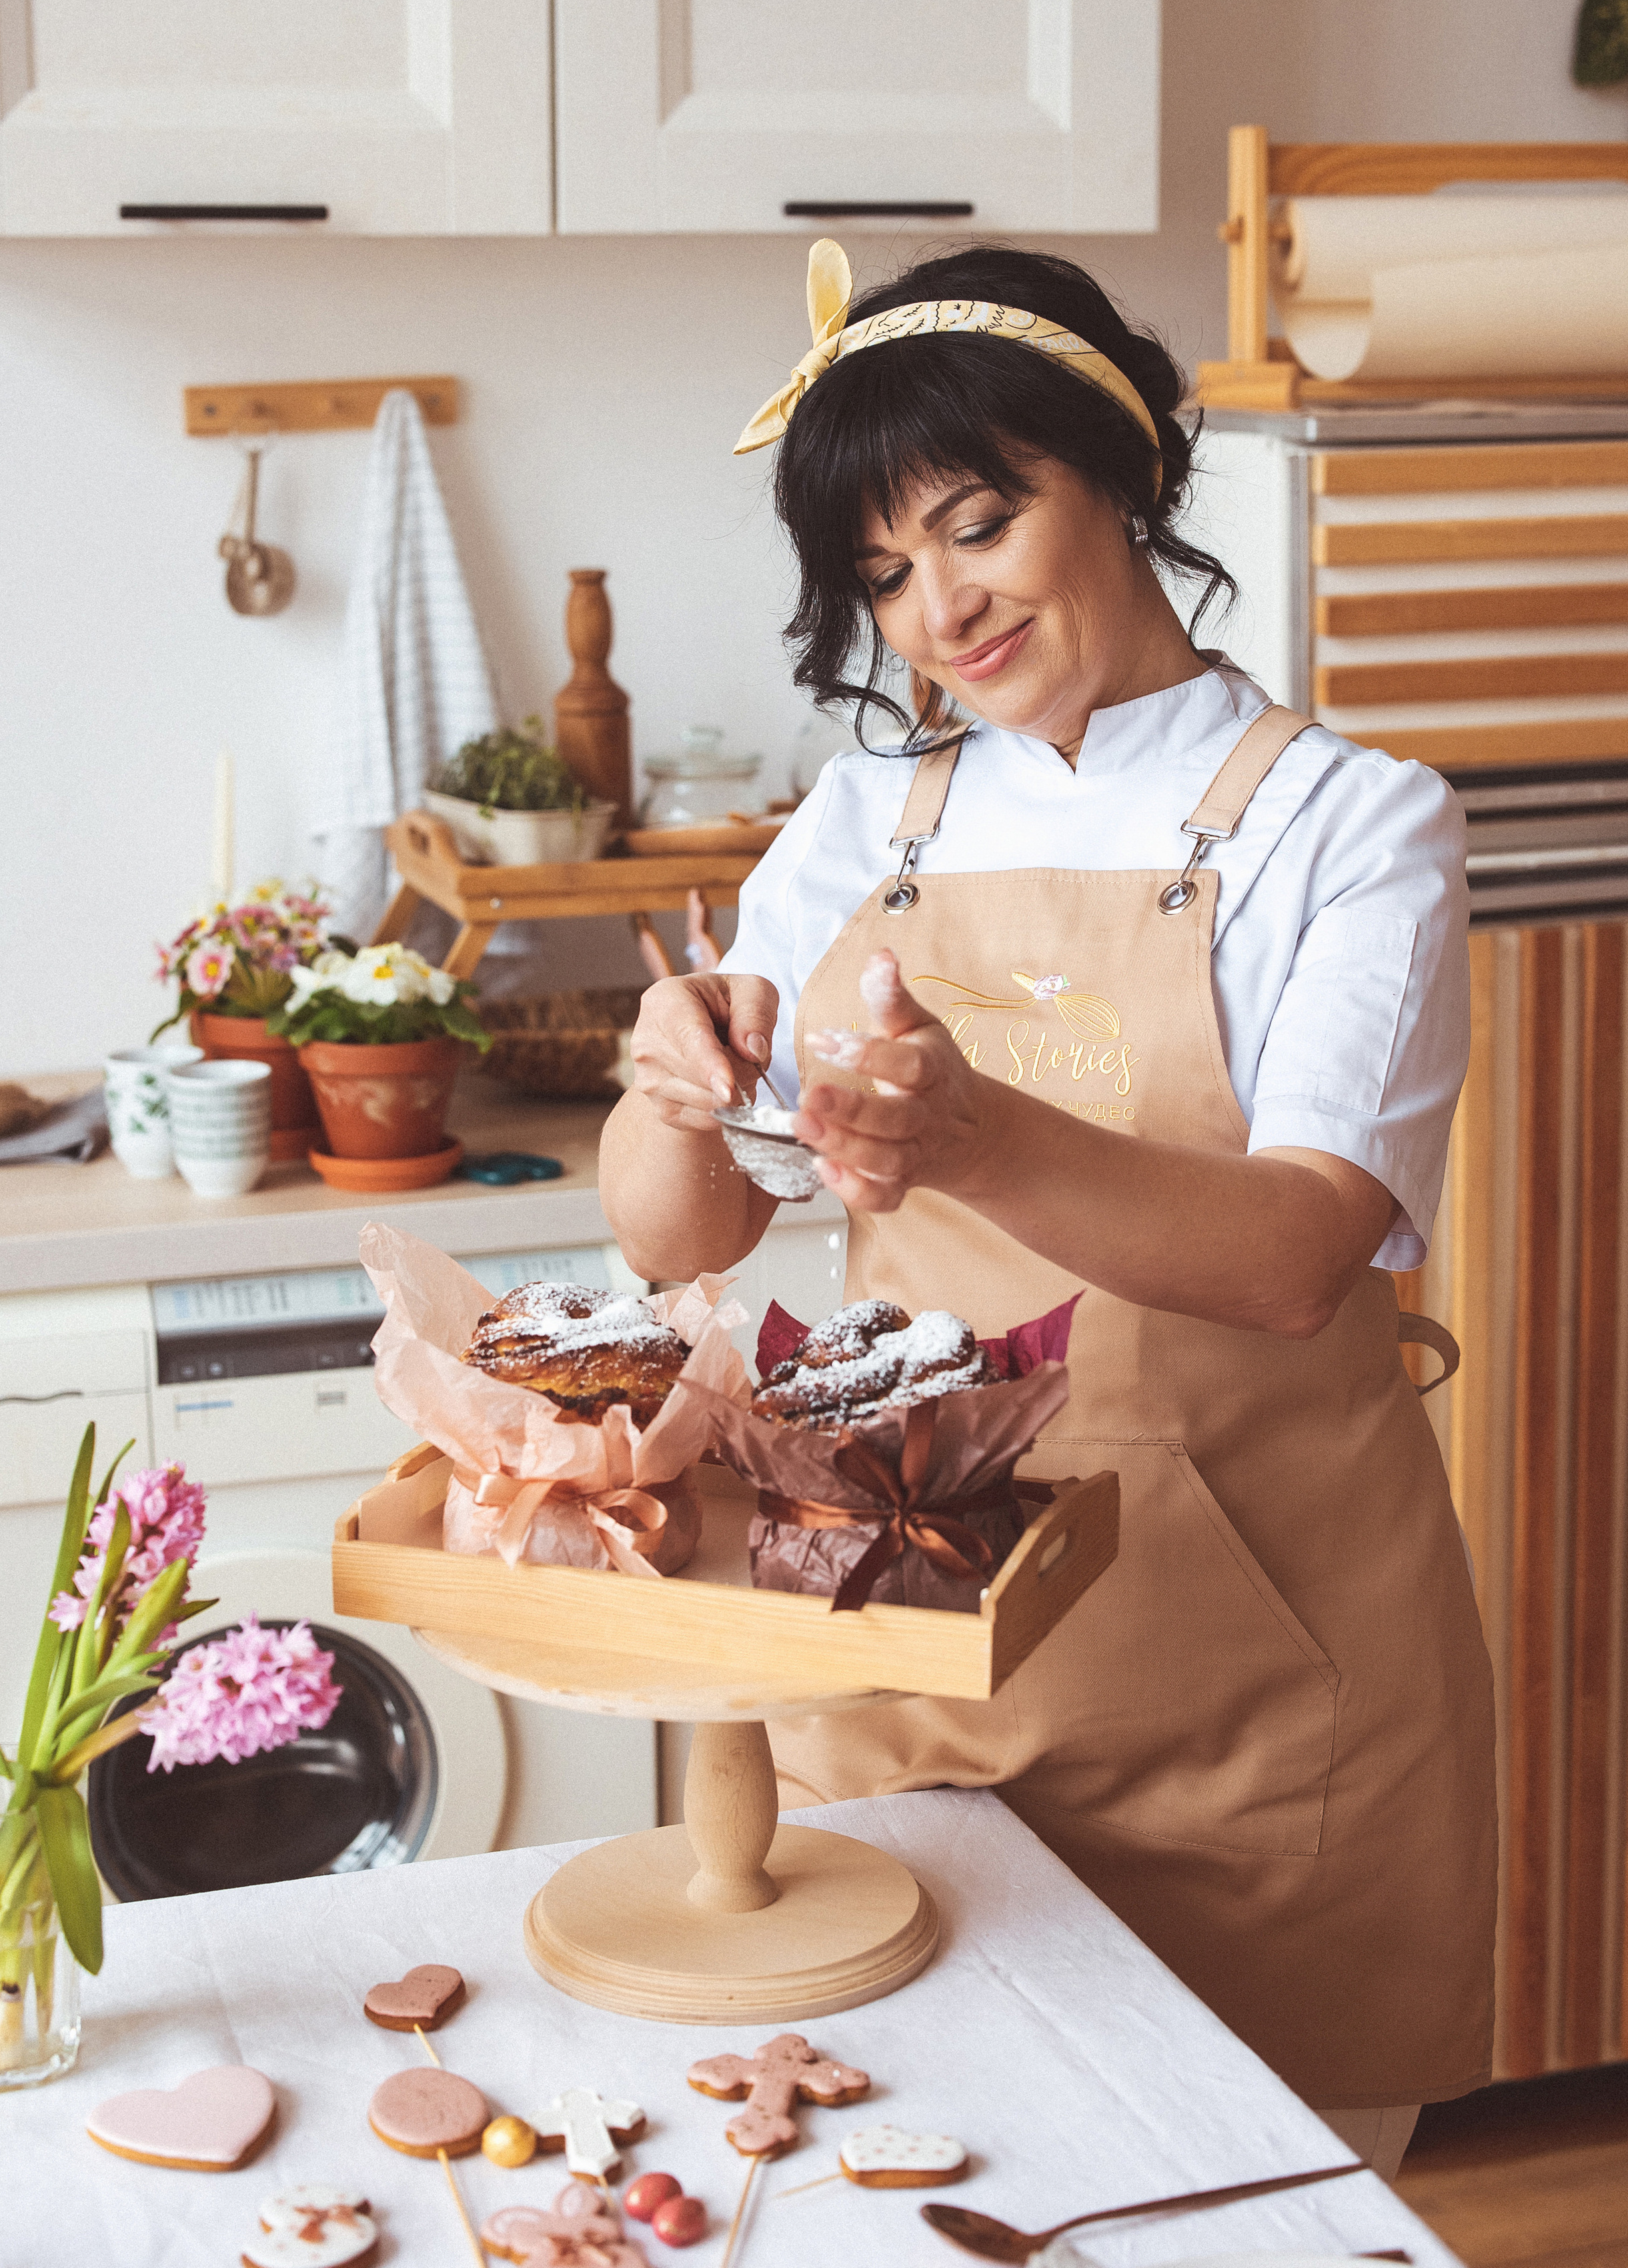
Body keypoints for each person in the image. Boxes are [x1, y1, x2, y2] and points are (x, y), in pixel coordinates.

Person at [598, 242, 1495, 2180]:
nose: (941, 611)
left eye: (979, 525)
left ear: (1128, 476)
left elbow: (1292, 1255)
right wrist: (669, 1075)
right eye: (885, 576)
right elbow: (686, 1239)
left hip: (1256, 1708)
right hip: (912, 1668)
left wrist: (971, 1135)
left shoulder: (1354, 825)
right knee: (897, 2190)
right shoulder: (868, 823)